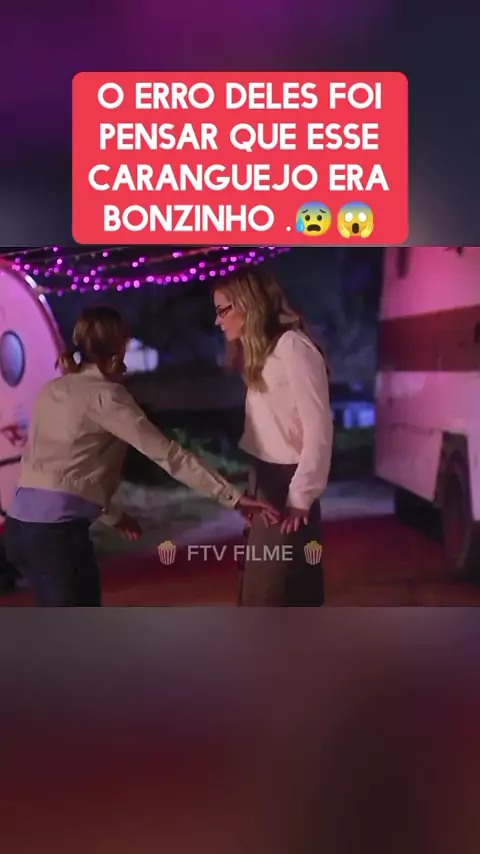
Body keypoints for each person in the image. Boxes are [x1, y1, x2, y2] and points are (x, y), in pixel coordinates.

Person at [4, 306, 279, 607]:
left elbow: (63, 469)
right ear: (120, 344)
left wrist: (114, 515)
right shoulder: (106, 397)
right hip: (55, 533)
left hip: (19, 526)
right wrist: (233, 497)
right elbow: (169, 456)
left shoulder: (52, 389)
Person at [213, 268, 333, 606]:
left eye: (223, 310)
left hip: (287, 485)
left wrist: (301, 495)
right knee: (259, 592)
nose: (218, 321)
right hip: (263, 480)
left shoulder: (293, 348)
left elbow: (319, 429)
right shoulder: (262, 352)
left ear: (247, 305)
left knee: (279, 593)